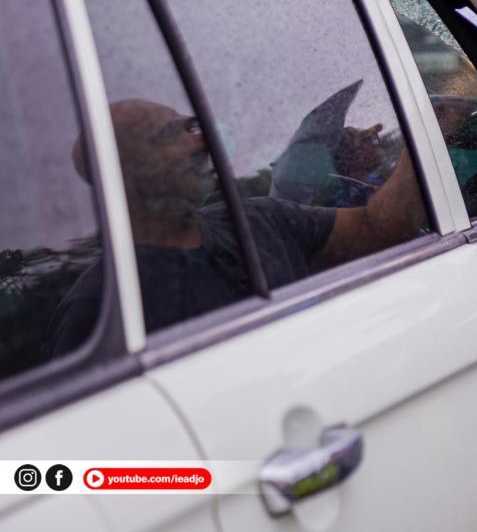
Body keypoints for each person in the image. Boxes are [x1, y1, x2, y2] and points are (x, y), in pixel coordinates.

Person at [46, 99, 426, 354]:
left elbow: (379, 227)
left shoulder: (261, 219)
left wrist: (430, 126)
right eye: (171, 136)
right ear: (125, 174)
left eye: (191, 126)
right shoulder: (98, 308)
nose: (203, 142)